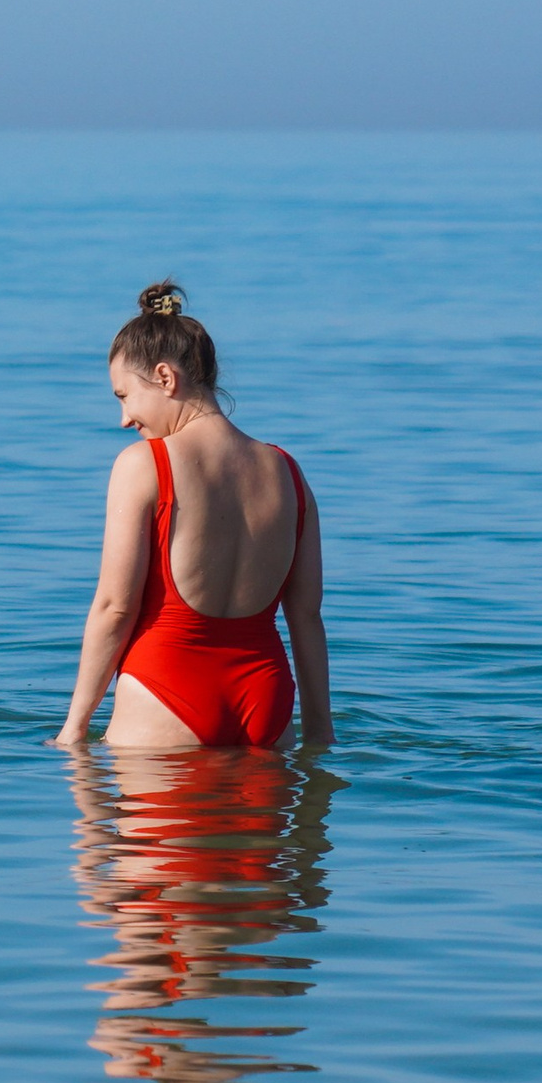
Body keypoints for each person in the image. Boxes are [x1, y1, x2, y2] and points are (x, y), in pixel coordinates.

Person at [54, 283, 331, 750]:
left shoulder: (144, 465)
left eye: (124, 396)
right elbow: (306, 615)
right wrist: (321, 732)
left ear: (165, 377)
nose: (124, 418)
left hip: (164, 694)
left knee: (112, 824)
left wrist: (74, 728)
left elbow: (114, 607)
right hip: (264, 698)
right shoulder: (288, 472)